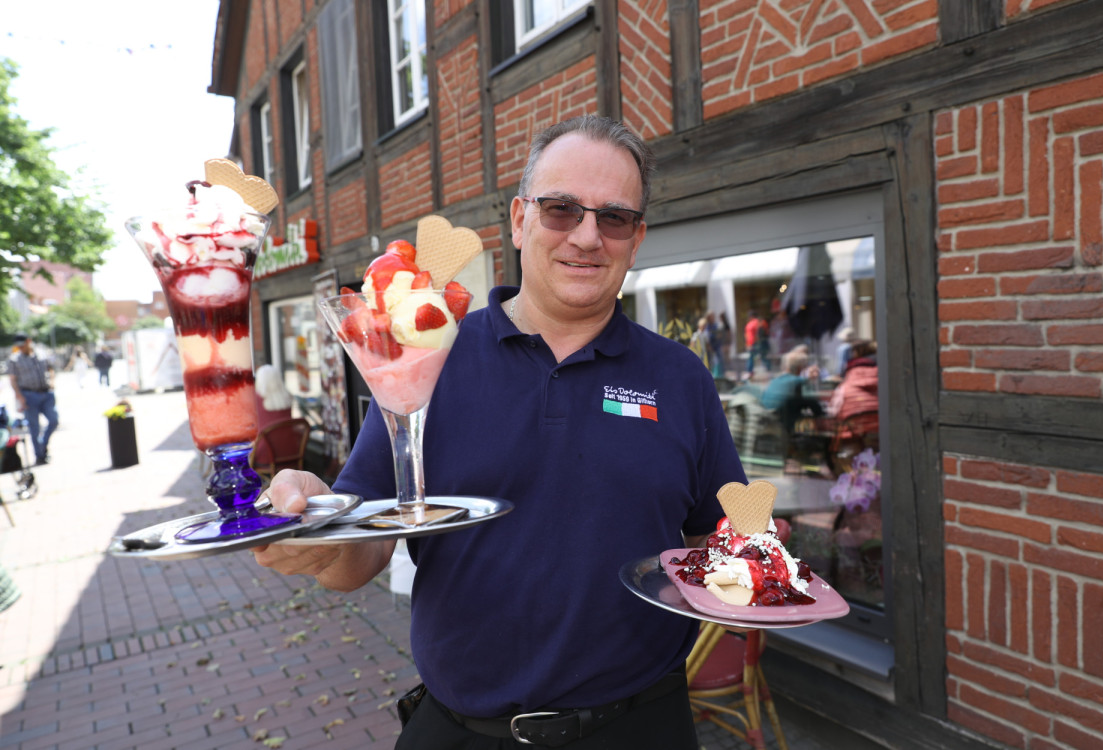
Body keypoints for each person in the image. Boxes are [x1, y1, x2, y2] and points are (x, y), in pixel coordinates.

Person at [252, 115, 746, 749]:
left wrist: (751, 566)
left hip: (641, 726)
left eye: (614, 217)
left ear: (637, 236)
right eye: (561, 209)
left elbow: (716, 536)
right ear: (519, 220)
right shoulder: (426, 357)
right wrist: (312, 536)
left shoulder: (680, 378)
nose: (587, 236)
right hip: (462, 732)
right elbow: (362, 550)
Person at [7, 333, 57, 466]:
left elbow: (50, 369)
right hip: (28, 395)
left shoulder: (41, 354)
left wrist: (52, 382)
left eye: (22, 345)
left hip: (46, 394)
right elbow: (13, 380)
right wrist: (20, 397)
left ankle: (43, 444)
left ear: (29, 341)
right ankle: (40, 455)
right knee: (34, 428)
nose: (20, 348)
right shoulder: (14, 359)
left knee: (54, 420)